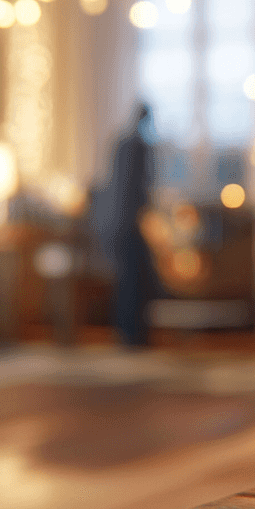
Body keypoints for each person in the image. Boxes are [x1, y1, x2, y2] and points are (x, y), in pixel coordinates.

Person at [94, 103, 160, 346]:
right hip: (128, 223)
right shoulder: (138, 146)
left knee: (126, 280)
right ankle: (132, 336)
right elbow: (139, 187)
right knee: (133, 280)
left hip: (113, 223)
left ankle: (126, 334)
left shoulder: (121, 142)